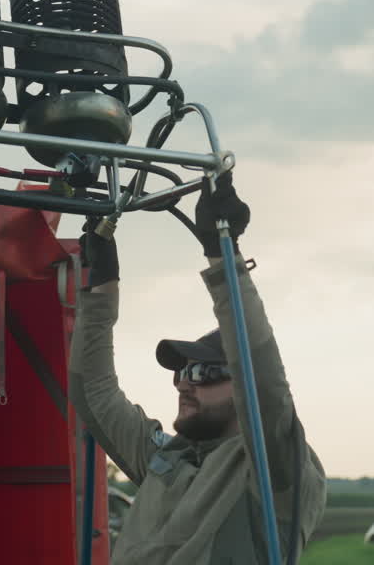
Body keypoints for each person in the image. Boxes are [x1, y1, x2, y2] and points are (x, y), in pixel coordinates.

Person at [70, 172, 327, 565]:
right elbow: (94, 394)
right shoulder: (166, 457)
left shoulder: (274, 468)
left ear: (239, 388)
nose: (184, 386)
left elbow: (264, 383)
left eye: (203, 374)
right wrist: (102, 289)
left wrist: (223, 256)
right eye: (181, 373)